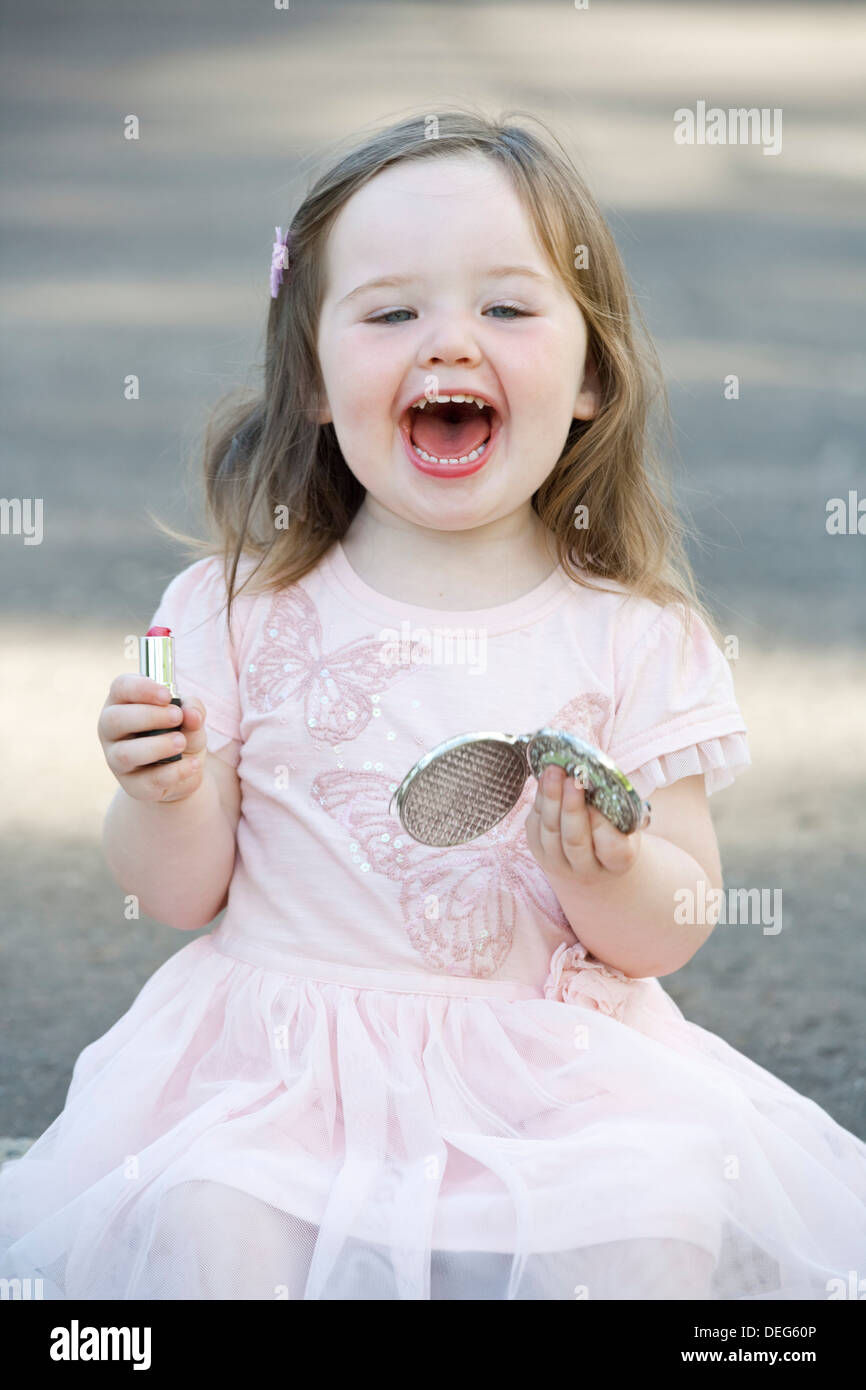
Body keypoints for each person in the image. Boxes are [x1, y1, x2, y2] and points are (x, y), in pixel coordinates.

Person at [2, 108, 864, 1300]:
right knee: (212, 1215)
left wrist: (610, 874)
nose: (448, 342)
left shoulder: (634, 634)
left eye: (506, 308)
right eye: (392, 311)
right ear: (309, 378)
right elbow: (171, 893)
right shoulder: (232, 609)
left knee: (653, 1214)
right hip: (281, 1083)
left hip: (556, 1087)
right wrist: (166, 791)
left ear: (589, 376)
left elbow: (680, 916)